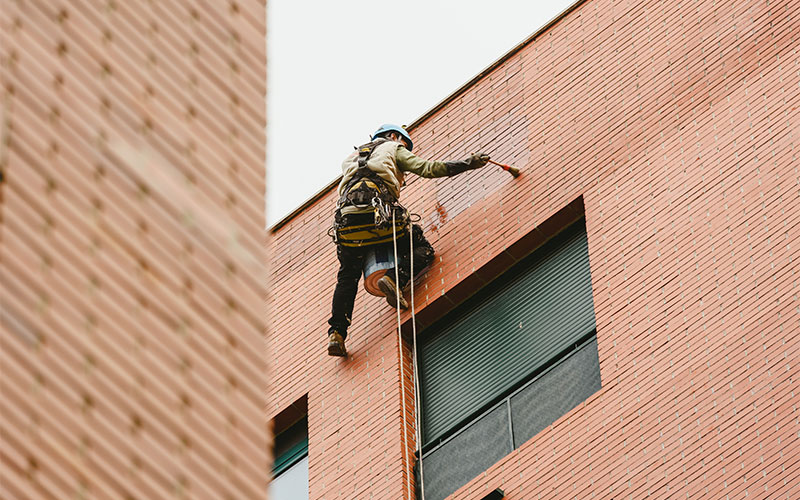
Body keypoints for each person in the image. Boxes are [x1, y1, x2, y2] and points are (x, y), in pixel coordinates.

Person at [327, 124, 489, 356]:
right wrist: (468, 163)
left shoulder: (352, 157)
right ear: (394, 136)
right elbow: (428, 169)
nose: (405, 146)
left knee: (347, 276)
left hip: (347, 225)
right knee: (422, 249)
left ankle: (337, 334)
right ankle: (394, 279)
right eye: (405, 142)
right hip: (382, 218)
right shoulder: (393, 147)